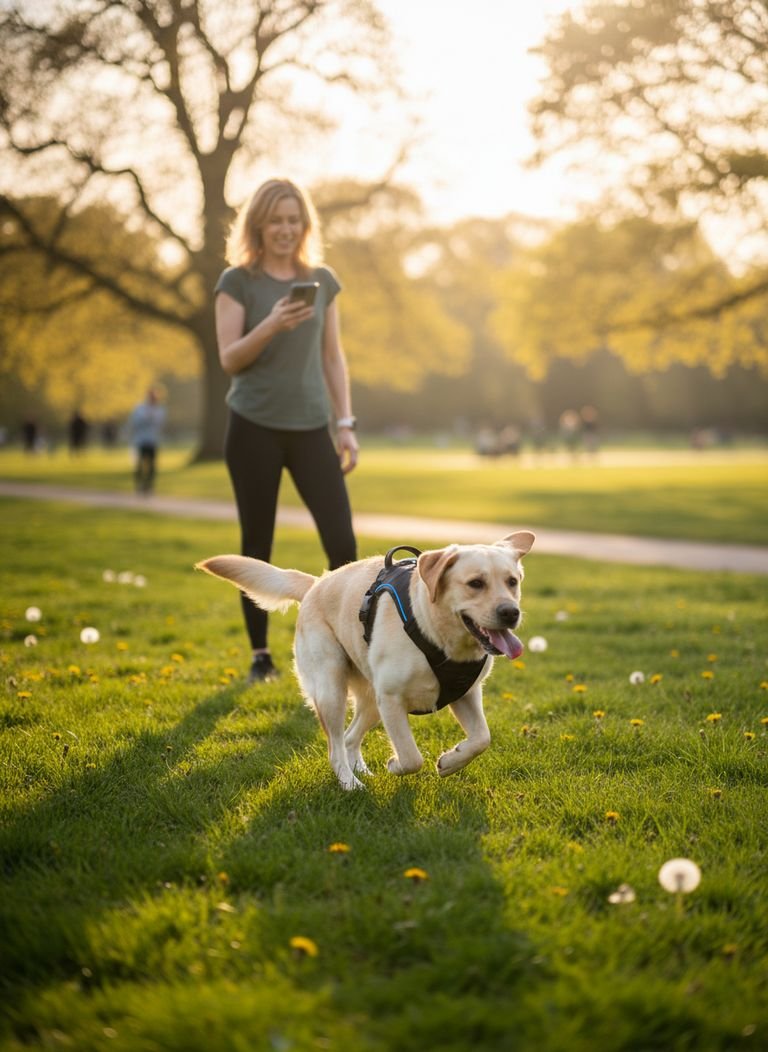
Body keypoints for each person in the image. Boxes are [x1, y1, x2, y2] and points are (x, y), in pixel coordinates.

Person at [215, 177, 358, 684]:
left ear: (304, 224)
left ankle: (350, 647)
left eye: (293, 219)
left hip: (311, 428)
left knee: (342, 541)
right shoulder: (238, 282)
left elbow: (332, 356)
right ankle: (261, 656)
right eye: (275, 219)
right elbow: (230, 358)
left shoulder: (323, 279)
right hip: (253, 427)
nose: (285, 228)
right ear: (258, 224)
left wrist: (345, 424)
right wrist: (272, 323)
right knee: (258, 541)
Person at [129, 387, 166, 494]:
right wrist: (146, 418)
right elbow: (135, 423)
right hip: (141, 440)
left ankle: (149, 486)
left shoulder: (159, 410)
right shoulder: (140, 409)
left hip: (153, 441)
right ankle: (139, 485)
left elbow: (160, 424)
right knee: (139, 464)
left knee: (152, 465)